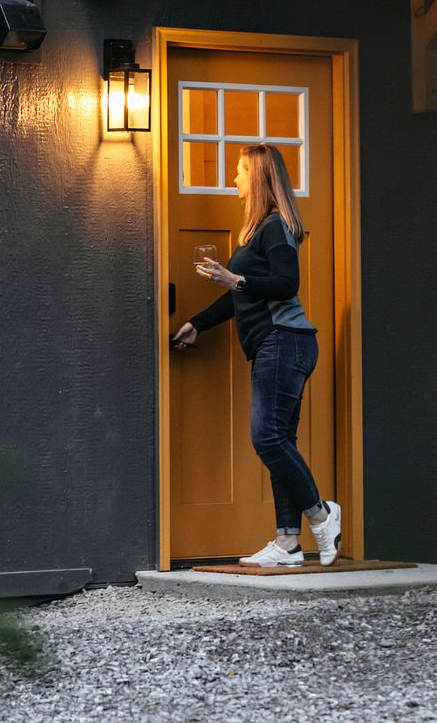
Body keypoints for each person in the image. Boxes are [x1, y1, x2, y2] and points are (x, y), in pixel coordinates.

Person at [171, 144, 342, 567]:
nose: (234, 178)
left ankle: (322, 514)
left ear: (260, 178)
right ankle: (287, 542)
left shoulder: (275, 227)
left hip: (285, 340)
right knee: (279, 440)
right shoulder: (256, 232)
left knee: (267, 437)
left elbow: (286, 284)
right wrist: (198, 322)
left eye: (240, 170)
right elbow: (239, 299)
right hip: (278, 342)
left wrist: (236, 278)